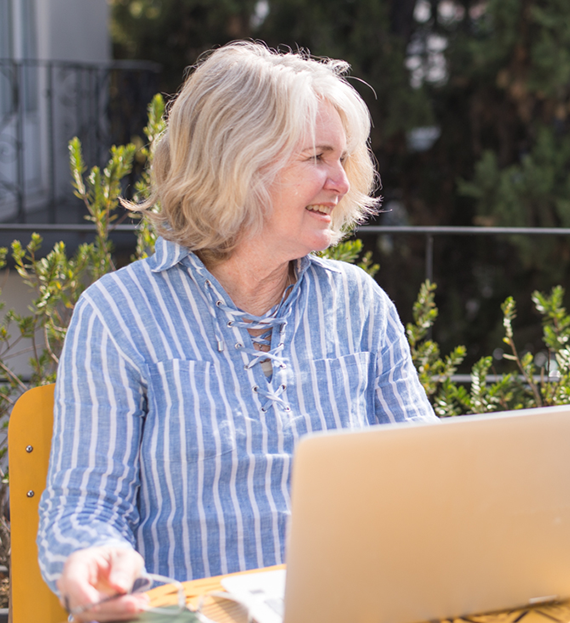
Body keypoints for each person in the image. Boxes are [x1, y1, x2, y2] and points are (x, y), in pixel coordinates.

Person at [36, 42, 437, 621]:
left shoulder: (358, 305)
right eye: (318, 157)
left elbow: (431, 475)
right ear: (236, 162)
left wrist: (528, 539)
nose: (340, 182)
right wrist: (94, 557)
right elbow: (86, 506)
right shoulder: (120, 315)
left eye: (343, 159)